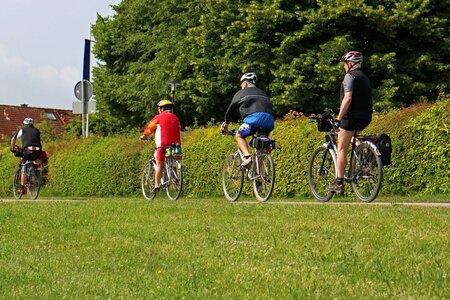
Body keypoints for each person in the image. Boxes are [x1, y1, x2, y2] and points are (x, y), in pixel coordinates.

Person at [329, 51, 373, 194]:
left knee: (341, 149)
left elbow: (348, 98)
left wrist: (339, 118)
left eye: (345, 63)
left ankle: (339, 183)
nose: (343, 66)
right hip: (366, 117)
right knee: (353, 137)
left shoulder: (350, 76)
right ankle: (363, 157)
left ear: (350, 64)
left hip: (350, 117)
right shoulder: (365, 78)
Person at [220, 72, 275, 167]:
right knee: (260, 147)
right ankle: (260, 176)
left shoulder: (241, 93)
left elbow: (231, 108)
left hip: (253, 120)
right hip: (269, 120)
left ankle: (247, 157)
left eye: (241, 85)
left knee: (239, 136)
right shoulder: (263, 92)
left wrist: (226, 123)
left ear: (245, 84)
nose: (241, 87)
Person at [140, 100, 181, 194]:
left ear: (161, 109)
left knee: (159, 164)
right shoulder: (175, 117)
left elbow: (150, 128)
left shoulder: (158, 117)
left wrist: (144, 136)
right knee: (172, 159)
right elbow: (179, 127)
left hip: (162, 144)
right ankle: (173, 173)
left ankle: (157, 185)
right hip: (176, 144)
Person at [10, 118, 43, 186]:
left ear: (24, 124)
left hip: (27, 150)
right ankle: (36, 174)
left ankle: (22, 187)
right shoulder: (37, 130)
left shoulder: (22, 130)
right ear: (32, 124)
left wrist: (13, 148)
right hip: (38, 150)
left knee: (24, 167)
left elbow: (14, 138)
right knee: (35, 161)